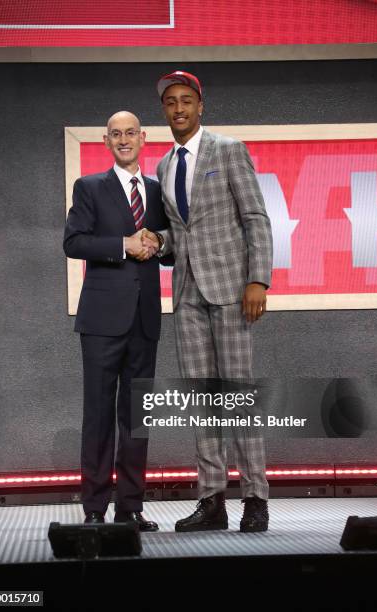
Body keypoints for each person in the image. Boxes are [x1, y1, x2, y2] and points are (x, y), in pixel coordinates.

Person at [143, 71, 273, 533]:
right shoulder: (162, 166)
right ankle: (212, 500)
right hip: (187, 294)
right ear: (165, 111)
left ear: (201, 106)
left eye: (186, 101)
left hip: (232, 290)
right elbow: (179, 238)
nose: (178, 109)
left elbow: (256, 218)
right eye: (170, 103)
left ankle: (255, 498)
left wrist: (258, 279)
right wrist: (153, 241)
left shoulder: (228, 149)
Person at [63, 111, 169, 529]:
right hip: (102, 321)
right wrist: (123, 245)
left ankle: (131, 507)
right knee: (99, 415)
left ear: (143, 138)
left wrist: (158, 242)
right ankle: (94, 510)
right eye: (115, 135)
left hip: (145, 321)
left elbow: (171, 249)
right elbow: (73, 242)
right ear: (106, 142)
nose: (124, 140)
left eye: (130, 133)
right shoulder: (90, 187)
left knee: (137, 418)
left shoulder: (158, 191)